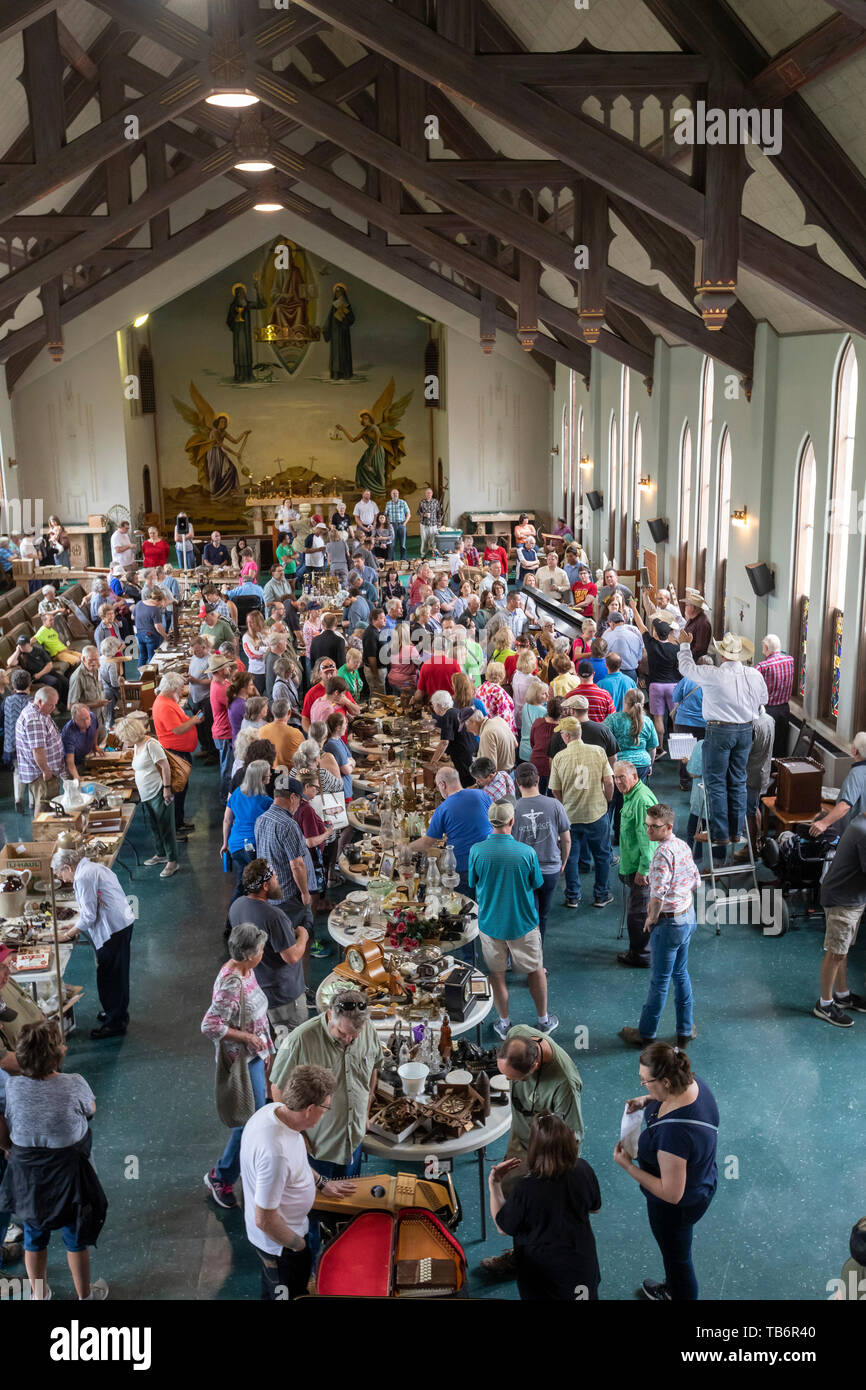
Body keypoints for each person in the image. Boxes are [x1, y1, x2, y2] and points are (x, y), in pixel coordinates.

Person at [0, 1021, 107, 1301]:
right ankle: (84, 1296)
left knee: (34, 1238)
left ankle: (40, 1295)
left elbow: (9, 1120)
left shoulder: (12, 1087)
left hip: (30, 1181)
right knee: (76, 1240)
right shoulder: (74, 1084)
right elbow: (91, 1110)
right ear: (59, 1054)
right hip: (72, 1182)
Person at [614, 1042, 718, 1301]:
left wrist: (627, 1165)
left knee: (677, 1258)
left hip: (676, 1208)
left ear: (667, 1082)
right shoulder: (694, 1084)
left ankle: (678, 1293)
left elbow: (671, 1193)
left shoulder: (675, 1135)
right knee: (677, 1254)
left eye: (645, 1082)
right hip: (703, 1177)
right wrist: (648, 1099)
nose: (643, 1085)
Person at [240, 1064, 354, 1299]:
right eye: (325, 1108)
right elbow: (264, 1219)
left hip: (286, 1235)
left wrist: (322, 1182)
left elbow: (298, 1161)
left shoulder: (274, 1111)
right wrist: (298, 1246)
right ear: (310, 1109)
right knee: (286, 1292)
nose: (325, 1113)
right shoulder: (275, 1153)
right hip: (280, 1246)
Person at [480, 1027, 584, 1282]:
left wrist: (550, 1177)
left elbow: (573, 1137)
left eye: (517, 1079)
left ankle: (527, 1258)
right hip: (522, 1134)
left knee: (535, 1210)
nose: (512, 1083)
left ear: (536, 1064)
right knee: (511, 1193)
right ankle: (521, 1251)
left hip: (547, 1154)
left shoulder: (564, 1084)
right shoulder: (518, 1034)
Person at [271, 989, 382, 1226]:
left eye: (355, 1035)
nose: (349, 1039)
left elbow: (373, 1067)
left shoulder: (367, 1030)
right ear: (330, 1014)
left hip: (353, 1141)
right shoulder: (301, 1041)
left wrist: (366, 1110)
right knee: (314, 1213)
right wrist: (297, 1136)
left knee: (348, 1209)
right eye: (342, 1033)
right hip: (317, 1148)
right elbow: (277, 1091)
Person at [677, 630, 768, 862]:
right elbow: (762, 701)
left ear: (721, 654)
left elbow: (686, 669)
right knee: (738, 780)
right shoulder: (754, 675)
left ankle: (719, 833)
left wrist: (685, 646)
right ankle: (736, 831)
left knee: (716, 782)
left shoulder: (713, 674)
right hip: (746, 730)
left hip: (719, 730)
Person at [201, 923, 274, 1211]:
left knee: (255, 1117)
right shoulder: (232, 983)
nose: (263, 953)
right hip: (242, 1062)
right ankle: (221, 1175)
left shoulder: (246, 970)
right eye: (260, 950)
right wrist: (248, 1038)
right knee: (249, 1122)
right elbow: (210, 1025)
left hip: (256, 1056)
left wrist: (265, 1047)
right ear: (248, 954)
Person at [490, 1114, 601, 1301]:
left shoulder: (526, 1188)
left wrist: (495, 1183)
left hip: (542, 1272)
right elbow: (595, 1208)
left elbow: (503, 1227)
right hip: (581, 1264)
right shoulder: (583, 1168)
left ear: (535, 1148)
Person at [469, 800, 555, 1038]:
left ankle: (504, 1023)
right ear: (512, 821)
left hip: (490, 924)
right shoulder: (527, 852)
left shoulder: (477, 850)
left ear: (490, 822)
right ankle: (544, 1020)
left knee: (496, 974)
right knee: (535, 970)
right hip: (523, 923)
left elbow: (473, 882)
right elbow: (536, 884)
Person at [619, 802, 701, 1049]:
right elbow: (696, 881)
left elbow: (656, 896)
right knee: (681, 973)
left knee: (660, 980)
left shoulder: (661, 855)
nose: (648, 831)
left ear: (668, 826)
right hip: (687, 917)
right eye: (647, 826)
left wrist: (651, 918)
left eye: (654, 827)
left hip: (669, 924)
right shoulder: (683, 846)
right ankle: (685, 1031)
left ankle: (646, 1033)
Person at [51, 846, 135, 1040]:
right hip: (119, 924)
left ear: (67, 867)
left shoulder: (82, 877)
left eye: (60, 874)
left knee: (110, 975)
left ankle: (115, 1023)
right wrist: (73, 925)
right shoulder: (90, 868)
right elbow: (91, 908)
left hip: (113, 929)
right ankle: (116, 1012)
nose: (62, 879)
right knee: (115, 973)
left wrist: (69, 933)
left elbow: (89, 915)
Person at [228, 860, 308, 1033]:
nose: (278, 882)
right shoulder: (274, 916)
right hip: (284, 997)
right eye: (275, 879)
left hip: (258, 991)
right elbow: (292, 957)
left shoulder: (236, 906)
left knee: (272, 1040)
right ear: (265, 885)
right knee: (293, 1044)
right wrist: (303, 936)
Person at [549, 717, 614, 910]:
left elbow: (554, 790)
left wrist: (563, 806)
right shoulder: (598, 751)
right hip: (596, 811)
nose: (561, 736)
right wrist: (607, 800)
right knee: (602, 856)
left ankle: (573, 897)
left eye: (562, 733)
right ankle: (601, 895)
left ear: (567, 736)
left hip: (571, 815)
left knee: (570, 856)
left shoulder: (560, 757)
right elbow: (609, 782)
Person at [814, 810, 866, 1027]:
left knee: (843, 951)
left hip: (853, 898)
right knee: (836, 953)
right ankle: (824, 1005)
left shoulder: (861, 821)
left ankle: (843, 996)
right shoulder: (863, 831)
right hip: (842, 900)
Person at [512, 762, 571, 941]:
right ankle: (537, 954)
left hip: (523, 871)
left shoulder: (513, 809)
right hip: (550, 869)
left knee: (526, 915)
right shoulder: (554, 805)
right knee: (543, 915)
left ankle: (520, 952)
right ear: (538, 780)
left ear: (517, 783)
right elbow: (566, 839)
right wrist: (563, 862)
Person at [410, 766, 491, 893]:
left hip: (464, 866)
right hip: (488, 861)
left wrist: (406, 847)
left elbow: (427, 843)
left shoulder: (443, 809)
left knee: (466, 907)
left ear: (443, 784)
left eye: (438, 786)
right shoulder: (482, 795)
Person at [613, 761, 659, 969]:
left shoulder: (641, 800)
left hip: (641, 870)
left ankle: (641, 955)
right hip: (632, 864)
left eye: (622, 777)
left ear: (634, 776)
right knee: (637, 912)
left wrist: (644, 869)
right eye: (615, 777)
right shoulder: (630, 795)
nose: (618, 781)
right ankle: (638, 949)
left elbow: (648, 839)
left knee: (638, 915)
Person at [254, 770, 314, 917]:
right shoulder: (288, 825)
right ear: (293, 797)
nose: (299, 805)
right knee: (301, 933)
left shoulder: (261, 819)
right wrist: (305, 893)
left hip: (269, 892)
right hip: (288, 896)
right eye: (300, 800)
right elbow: (297, 865)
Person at [152, 671, 201, 838]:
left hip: (179, 751)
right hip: (175, 753)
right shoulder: (164, 705)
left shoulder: (167, 701)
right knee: (178, 789)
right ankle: (175, 827)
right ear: (172, 688)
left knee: (181, 788)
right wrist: (194, 720)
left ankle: (179, 822)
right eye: (180, 688)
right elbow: (177, 729)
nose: (182, 691)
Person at [15, 687, 65, 813]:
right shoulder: (34, 720)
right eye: (50, 705)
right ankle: (41, 832)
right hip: (41, 774)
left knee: (48, 804)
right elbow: (38, 750)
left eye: (55, 704)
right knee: (44, 806)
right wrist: (46, 770)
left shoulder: (41, 712)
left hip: (46, 770)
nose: (53, 708)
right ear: (39, 702)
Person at [810, 732, 866, 840]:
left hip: (852, 835)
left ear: (855, 750)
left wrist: (823, 823)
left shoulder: (857, 773)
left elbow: (846, 805)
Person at [465, 708, 516, 773]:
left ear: (472, 722)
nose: (467, 730)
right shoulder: (499, 720)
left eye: (466, 726)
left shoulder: (486, 733)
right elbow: (515, 744)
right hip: (511, 770)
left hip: (501, 775)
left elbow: (490, 768)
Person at [61, 703, 99, 778]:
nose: (86, 722)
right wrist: (76, 776)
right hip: (74, 762)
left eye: (87, 718)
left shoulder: (93, 717)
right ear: (74, 719)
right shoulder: (68, 732)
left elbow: (96, 729)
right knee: (75, 781)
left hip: (86, 756)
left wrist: (95, 745)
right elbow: (69, 761)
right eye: (82, 720)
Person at [134, 586, 168, 668]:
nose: (160, 605)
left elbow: (133, 616)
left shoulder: (139, 604)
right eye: (160, 603)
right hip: (151, 635)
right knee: (152, 658)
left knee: (142, 656)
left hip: (139, 634)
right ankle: (151, 677)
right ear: (156, 600)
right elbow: (158, 626)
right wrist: (165, 636)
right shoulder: (154, 609)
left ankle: (141, 676)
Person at [385, 488, 410, 559]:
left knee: (402, 544)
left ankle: (403, 560)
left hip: (402, 524)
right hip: (392, 525)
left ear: (398, 494)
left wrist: (404, 523)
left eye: (396, 493)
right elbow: (385, 515)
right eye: (393, 493)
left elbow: (408, 514)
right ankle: (392, 561)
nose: (395, 495)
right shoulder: (388, 503)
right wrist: (388, 524)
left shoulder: (403, 502)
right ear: (391, 495)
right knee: (392, 544)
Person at [418, 486, 443, 557]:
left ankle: (434, 555)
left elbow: (439, 513)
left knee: (433, 541)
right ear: (425, 494)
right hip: (424, 525)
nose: (428, 494)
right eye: (427, 493)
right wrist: (424, 514)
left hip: (433, 524)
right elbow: (418, 512)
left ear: (432, 494)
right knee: (424, 541)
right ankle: (423, 555)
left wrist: (439, 523)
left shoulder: (435, 502)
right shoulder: (422, 502)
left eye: (430, 493)